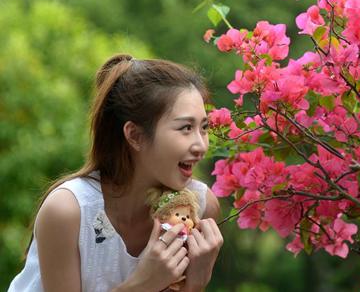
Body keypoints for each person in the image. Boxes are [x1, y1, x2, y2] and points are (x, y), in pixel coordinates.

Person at [8, 54, 223, 292]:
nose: (201, 145)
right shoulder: (69, 212)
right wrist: (144, 283)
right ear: (135, 135)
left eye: (204, 128)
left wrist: (194, 285)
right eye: (185, 128)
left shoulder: (199, 208)